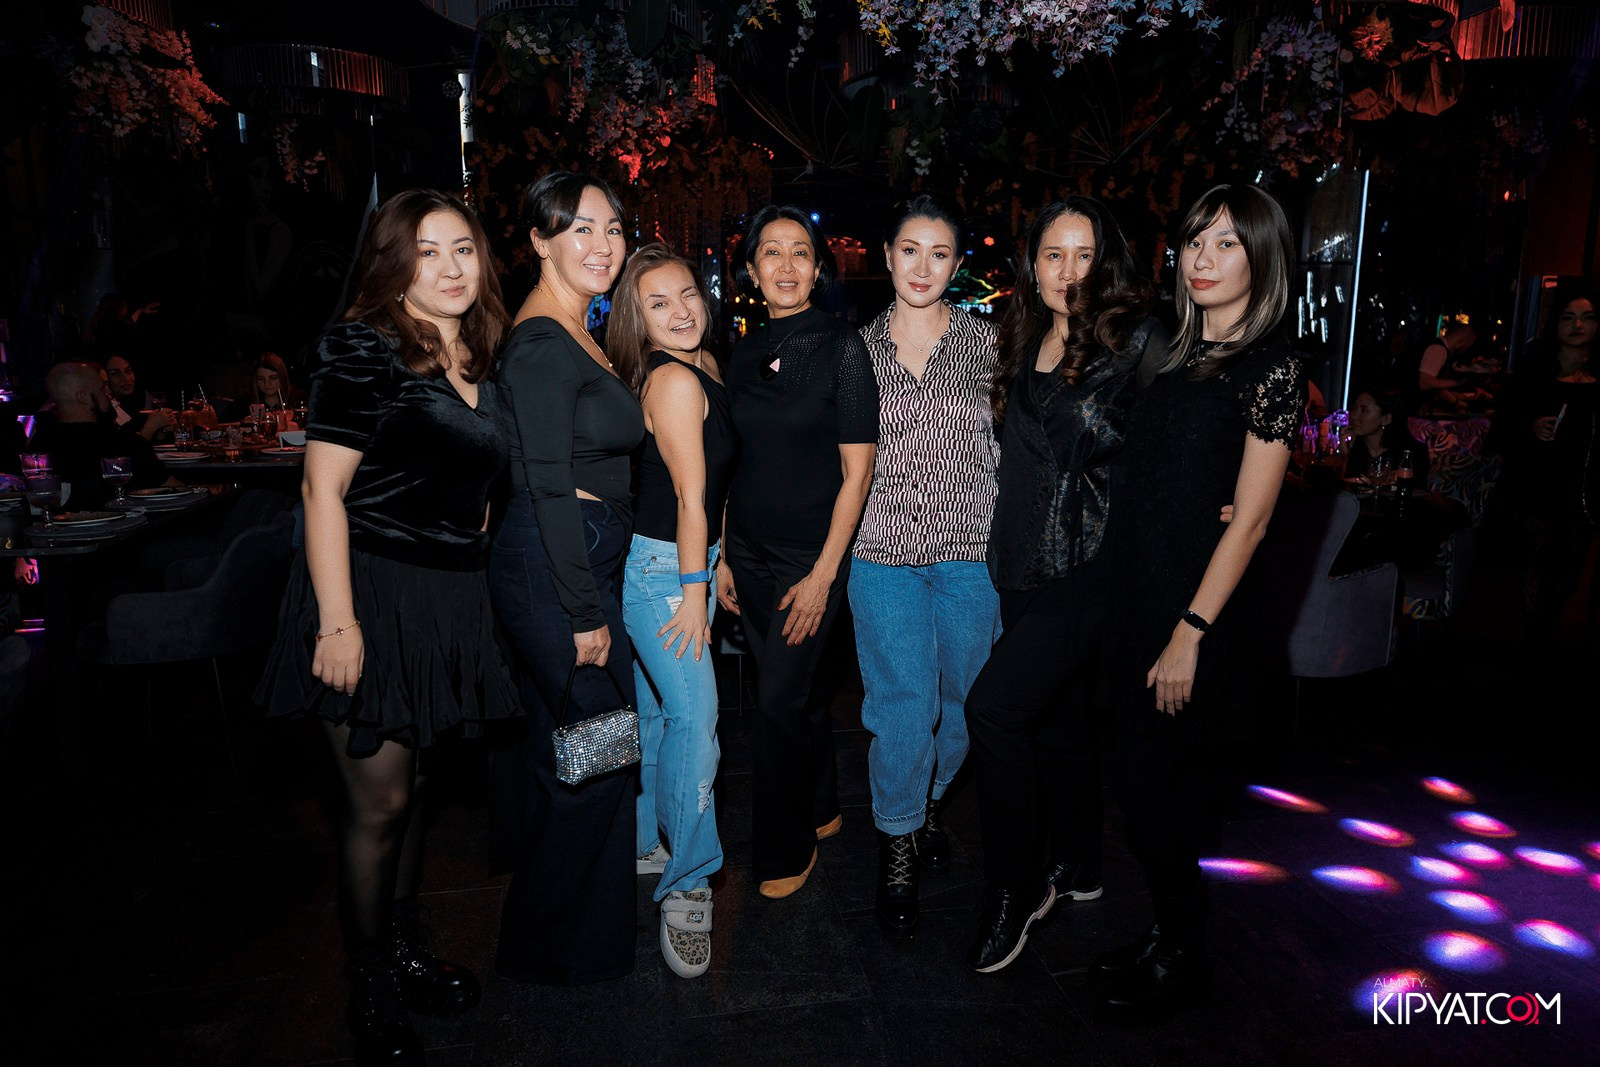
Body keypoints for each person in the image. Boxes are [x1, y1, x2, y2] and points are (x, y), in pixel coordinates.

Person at [255, 188, 518, 1065]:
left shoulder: (478, 349)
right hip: (365, 590)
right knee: (380, 801)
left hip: (444, 598)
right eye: (427, 251)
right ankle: (366, 980)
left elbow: (475, 480)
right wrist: (338, 621)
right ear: (394, 265)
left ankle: (403, 949)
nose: (449, 267)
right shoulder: (362, 346)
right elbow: (320, 488)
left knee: (420, 790)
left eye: (463, 249)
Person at [1095, 183, 1305, 1017]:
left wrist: (1190, 630)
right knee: (1140, 785)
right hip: (1139, 594)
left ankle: (1184, 954)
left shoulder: (1271, 366)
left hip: (1195, 610)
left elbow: (1250, 522)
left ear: (1263, 258)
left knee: (1161, 792)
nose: (1204, 259)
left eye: (1226, 243)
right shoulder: (1175, 354)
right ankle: (1167, 932)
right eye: (1195, 241)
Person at [962, 196, 1169, 972]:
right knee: (1058, 720)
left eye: (1085, 255)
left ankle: (1014, 889)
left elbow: (1188, 427)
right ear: (1032, 263)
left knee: (993, 708)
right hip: (1020, 559)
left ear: (1106, 262)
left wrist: (1223, 495)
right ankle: (1080, 860)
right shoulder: (1022, 334)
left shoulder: (1138, 340)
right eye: (1055, 254)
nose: (1070, 272)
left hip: (1090, 566)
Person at [487, 172, 643, 985]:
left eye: (612, 228)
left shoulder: (576, 327)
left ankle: (577, 944)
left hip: (576, 558)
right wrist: (584, 610)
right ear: (539, 241)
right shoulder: (544, 340)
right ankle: (544, 944)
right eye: (580, 228)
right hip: (558, 566)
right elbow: (546, 482)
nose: (602, 245)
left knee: (580, 755)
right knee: (602, 749)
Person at [715, 205, 878, 900]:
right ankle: (821, 805)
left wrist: (822, 575)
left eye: (800, 252)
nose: (786, 265)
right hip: (748, 551)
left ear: (818, 269)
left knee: (777, 701)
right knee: (797, 691)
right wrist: (724, 552)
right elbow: (731, 459)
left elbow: (857, 475)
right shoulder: (742, 350)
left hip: (810, 556)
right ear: (752, 270)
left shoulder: (844, 349)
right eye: (771, 252)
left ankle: (785, 848)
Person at [849, 196, 1000, 939]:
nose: (922, 267)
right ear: (887, 256)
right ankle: (899, 840)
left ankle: (927, 802)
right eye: (910, 250)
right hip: (881, 554)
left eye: (939, 253)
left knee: (970, 705)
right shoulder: (855, 351)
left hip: (971, 553)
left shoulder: (991, 346)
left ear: (956, 264)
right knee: (902, 706)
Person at [609, 243, 736, 978]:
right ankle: (687, 883)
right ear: (637, 318)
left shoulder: (704, 365)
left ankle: (649, 841)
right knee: (696, 721)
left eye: (687, 293)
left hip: (688, 561)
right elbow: (690, 497)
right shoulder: (673, 380)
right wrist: (693, 590)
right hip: (664, 572)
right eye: (658, 303)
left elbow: (714, 485)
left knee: (660, 717)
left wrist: (718, 562)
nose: (681, 311)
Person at [1500, 283, 1600, 643]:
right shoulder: (1535, 369)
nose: (1578, 325)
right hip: (1538, 481)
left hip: (1584, 485)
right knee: (1535, 558)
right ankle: (1533, 636)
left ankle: (1550, 630)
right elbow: (1505, 422)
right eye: (1568, 317)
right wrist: (1531, 426)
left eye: (1587, 318)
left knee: (1571, 563)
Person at [29, 361, 181, 508]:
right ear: (82, 397)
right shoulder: (122, 443)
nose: (109, 392)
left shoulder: (38, 447)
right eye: (102, 388)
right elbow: (177, 492)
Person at [1343, 387, 1430, 486]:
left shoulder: (1411, 454)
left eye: (1364, 410)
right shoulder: (1354, 448)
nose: (1354, 416)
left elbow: (1416, 489)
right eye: (1354, 408)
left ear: (1386, 419)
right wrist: (1344, 455)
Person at [104, 354, 175, 440]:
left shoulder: (133, 403)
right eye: (116, 374)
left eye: (128, 371)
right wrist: (152, 426)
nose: (126, 378)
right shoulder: (103, 411)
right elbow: (128, 446)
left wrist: (162, 430)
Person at [220, 353, 305, 423]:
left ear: (282, 377)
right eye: (260, 379)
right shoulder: (244, 402)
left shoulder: (298, 399)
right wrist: (243, 423)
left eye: (273, 378)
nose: (266, 383)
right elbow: (221, 426)